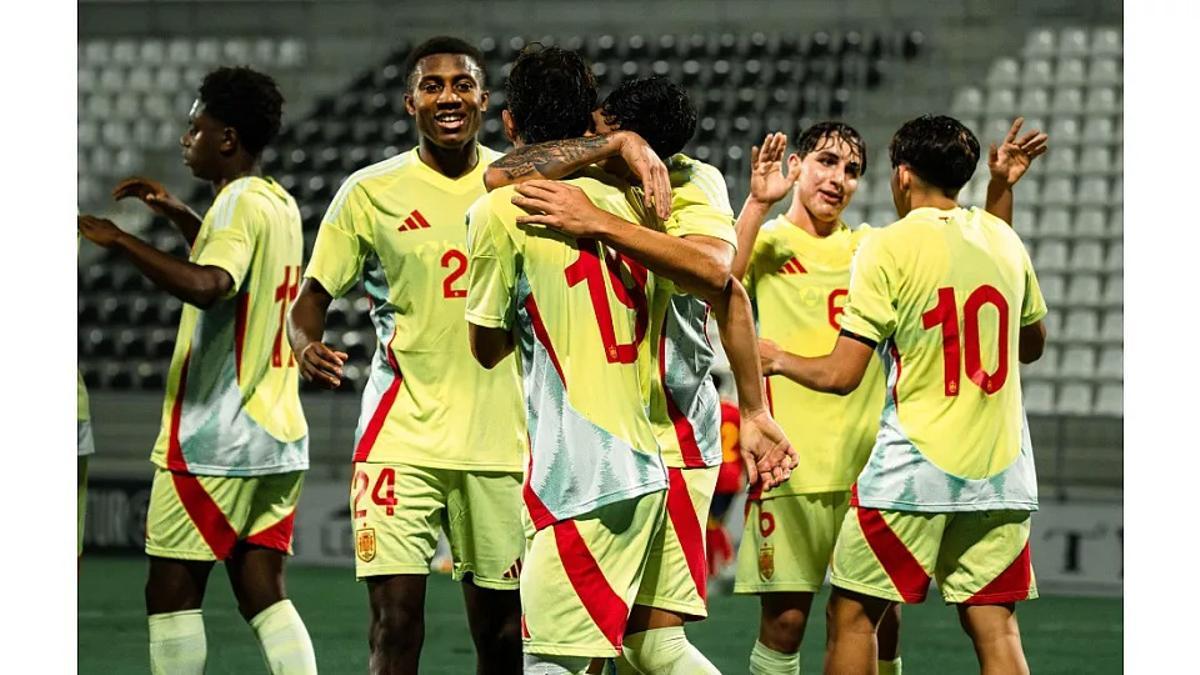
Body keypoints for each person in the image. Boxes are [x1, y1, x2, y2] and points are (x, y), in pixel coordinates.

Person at [483, 74, 795, 673]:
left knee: (639, 643)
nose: (589, 134)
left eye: (601, 128)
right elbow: (496, 175)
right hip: (616, 432)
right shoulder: (587, 171)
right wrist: (615, 146)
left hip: (666, 433)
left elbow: (718, 277)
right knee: (637, 646)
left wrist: (602, 223)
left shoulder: (691, 183)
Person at [731, 117, 1047, 675]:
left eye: (853, 169)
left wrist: (776, 357)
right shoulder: (999, 239)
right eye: (827, 162)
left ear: (899, 177)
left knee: (861, 617)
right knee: (992, 628)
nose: (839, 179)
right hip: (813, 464)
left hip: (893, 464)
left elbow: (841, 373)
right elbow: (717, 285)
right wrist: (756, 206)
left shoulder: (879, 245)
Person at [285, 36, 525, 675]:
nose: (449, 97)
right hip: (401, 436)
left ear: (484, 98)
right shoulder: (369, 192)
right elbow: (310, 299)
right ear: (409, 102)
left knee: (504, 639)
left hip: (502, 441)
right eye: (434, 85)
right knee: (395, 629)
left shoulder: (520, 186)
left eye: (462, 84)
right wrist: (307, 345)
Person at [78, 66, 316, 674]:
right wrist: (181, 217)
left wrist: (121, 241)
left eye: (196, 128)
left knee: (171, 594)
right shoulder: (276, 201)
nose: (186, 139)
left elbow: (213, 285)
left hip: (216, 437)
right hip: (277, 432)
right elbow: (237, 267)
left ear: (227, 138)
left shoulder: (236, 204)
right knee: (263, 591)